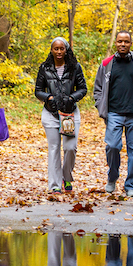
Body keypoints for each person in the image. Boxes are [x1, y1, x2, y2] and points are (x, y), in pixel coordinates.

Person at [93, 32, 133, 198]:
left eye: (126, 42)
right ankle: (112, 177)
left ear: (131, 43)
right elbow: (98, 87)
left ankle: (130, 186)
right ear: (115, 42)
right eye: (120, 41)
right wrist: (100, 105)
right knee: (112, 146)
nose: (123, 44)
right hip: (114, 113)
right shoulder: (107, 64)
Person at [34, 37, 89, 193]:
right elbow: (38, 90)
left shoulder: (75, 67)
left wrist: (72, 98)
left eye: (61, 49)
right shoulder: (44, 68)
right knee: (54, 148)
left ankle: (66, 177)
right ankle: (55, 185)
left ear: (66, 50)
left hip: (69, 113)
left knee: (70, 148)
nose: (59, 52)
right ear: (51, 50)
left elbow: (83, 88)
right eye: (56, 49)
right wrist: (48, 98)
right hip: (51, 113)